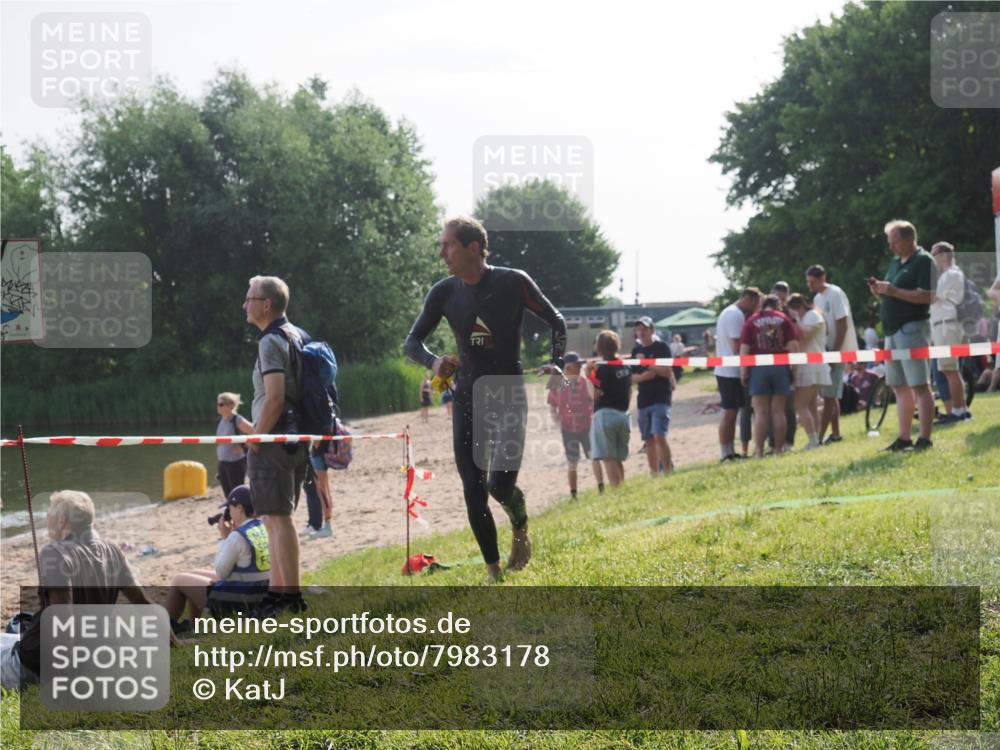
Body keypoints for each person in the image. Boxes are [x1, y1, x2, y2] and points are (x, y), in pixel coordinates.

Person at [404, 217, 566, 580]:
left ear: (473, 248)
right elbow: (412, 341)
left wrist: (556, 363)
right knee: (473, 489)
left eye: (448, 245)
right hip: (467, 398)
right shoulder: (444, 292)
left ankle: (519, 522)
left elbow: (556, 320)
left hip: (508, 395)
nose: (442, 253)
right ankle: (494, 572)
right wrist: (435, 361)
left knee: (500, 485)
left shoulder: (513, 282)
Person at [1, 491, 170, 690]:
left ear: (62, 520)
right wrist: (174, 643)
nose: (47, 520)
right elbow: (145, 604)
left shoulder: (54, 553)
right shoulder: (113, 551)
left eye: (49, 515)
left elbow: (64, 618)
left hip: (33, 664)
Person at [243, 275, 309, 615]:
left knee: (279, 519)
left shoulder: (270, 340)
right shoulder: (297, 335)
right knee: (274, 518)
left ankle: (290, 598)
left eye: (249, 298)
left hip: (275, 440)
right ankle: (277, 592)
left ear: (266, 304)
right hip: (296, 439)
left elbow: (275, 398)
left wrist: (256, 436)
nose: (245, 305)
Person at [867, 220, 935, 451]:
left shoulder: (924, 261)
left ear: (908, 239)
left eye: (894, 242)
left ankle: (924, 438)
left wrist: (893, 290)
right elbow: (893, 295)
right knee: (898, 386)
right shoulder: (896, 262)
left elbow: (928, 296)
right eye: (890, 243)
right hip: (892, 331)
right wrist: (880, 292)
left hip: (912, 328)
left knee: (920, 385)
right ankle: (904, 438)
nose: (891, 247)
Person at [166, 486, 270, 628]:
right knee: (191, 575)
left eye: (230, 508)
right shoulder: (264, 526)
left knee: (179, 579)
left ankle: (167, 630)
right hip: (263, 593)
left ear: (240, 508)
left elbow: (221, 572)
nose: (228, 513)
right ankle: (192, 626)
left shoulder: (237, 536)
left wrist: (224, 538)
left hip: (242, 602)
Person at [740, 295, 800, 458]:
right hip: (780, 366)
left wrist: (744, 372)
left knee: (760, 412)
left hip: (759, 367)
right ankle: (778, 449)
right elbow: (794, 347)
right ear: (777, 305)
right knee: (778, 411)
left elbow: (745, 348)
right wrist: (794, 372)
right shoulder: (784, 319)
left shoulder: (752, 320)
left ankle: (759, 451)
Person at [806, 265, 858, 445]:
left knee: (829, 395)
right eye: (808, 282)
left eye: (812, 282)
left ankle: (819, 438)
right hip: (824, 350)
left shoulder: (834, 293)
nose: (809, 285)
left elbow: (842, 323)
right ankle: (835, 434)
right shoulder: (817, 298)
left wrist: (836, 352)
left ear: (822, 278)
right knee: (831, 393)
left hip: (837, 350)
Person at [547, 351, 604, 498]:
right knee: (572, 462)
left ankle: (601, 488)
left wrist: (591, 375)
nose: (579, 367)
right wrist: (558, 423)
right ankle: (574, 495)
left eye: (579, 365)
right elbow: (552, 407)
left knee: (594, 457)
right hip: (568, 429)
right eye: (576, 365)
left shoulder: (585, 382)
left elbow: (594, 396)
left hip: (586, 426)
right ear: (568, 367)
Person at [714, 287, 762, 462]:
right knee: (730, 412)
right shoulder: (736, 315)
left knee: (731, 412)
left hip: (726, 369)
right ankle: (725, 452)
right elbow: (737, 346)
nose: (755, 309)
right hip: (730, 371)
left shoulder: (728, 312)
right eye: (755, 304)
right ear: (748, 299)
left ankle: (728, 450)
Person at [585, 330, 632, 488]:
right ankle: (623, 487)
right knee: (617, 457)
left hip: (606, 414)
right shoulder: (624, 365)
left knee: (608, 457)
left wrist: (588, 373)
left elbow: (596, 392)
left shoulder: (602, 368)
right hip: (623, 414)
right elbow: (629, 389)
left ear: (599, 347)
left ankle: (616, 490)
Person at [929, 242, 969, 424]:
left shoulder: (951, 274)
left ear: (943, 255)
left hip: (946, 324)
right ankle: (960, 409)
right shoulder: (948, 274)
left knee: (950, 369)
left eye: (934, 254)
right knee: (950, 370)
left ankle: (958, 410)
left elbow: (932, 296)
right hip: (943, 324)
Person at [631, 317, 676, 476]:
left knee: (659, 436)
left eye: (644, 329)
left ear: (652, 330)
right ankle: (654, 474)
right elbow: (633, 377)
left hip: (661, 397)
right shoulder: (635, 351)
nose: (641, 332)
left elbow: (667, 371)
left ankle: (668, 472)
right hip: (643, 399)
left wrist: (648, 364)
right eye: (638, 329)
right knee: (648, 440)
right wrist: (645, 376)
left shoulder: (662, 347)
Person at [786, 293, 830, 449]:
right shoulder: (808, 317)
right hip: (808, 364)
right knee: (810, 405)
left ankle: (813, 440)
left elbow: (804, 334)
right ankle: (816, 439)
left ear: (798, 308)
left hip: (811, 365)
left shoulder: (813, 315)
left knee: (800, 405)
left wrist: (795, 320)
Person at [770, 281, 797, 449]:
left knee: (788, 406)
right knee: (770, 407)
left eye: (783, 297)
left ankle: (788, 441)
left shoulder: (790, 315)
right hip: (768, 364)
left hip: (787, 363)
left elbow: (794, 340)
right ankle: (772, 442)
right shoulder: (763, 314)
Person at [215, 392, 253, 499]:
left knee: (237, 494)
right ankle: (232, 514)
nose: (218, 406)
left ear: (230, 405)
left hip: (235, 463)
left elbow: (255, 432)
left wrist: (244, 445)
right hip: (222, 463)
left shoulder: (237, 419)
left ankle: (243, 514)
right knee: (228, 496)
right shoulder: (220, 420)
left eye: (221, 404)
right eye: (217, 404)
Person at [300, 446, 334, 538]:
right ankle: (326, 526)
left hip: (318, 455)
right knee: (322, 490)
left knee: (322, 491)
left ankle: (327, 527)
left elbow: (316, 442)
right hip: (318, 455)